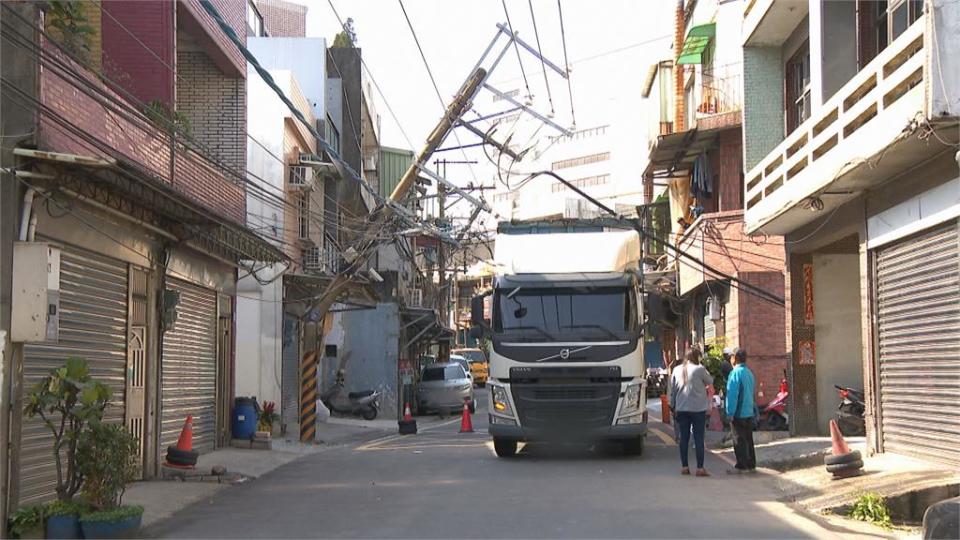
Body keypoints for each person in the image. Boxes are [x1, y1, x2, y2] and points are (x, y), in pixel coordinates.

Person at [668, 349, 714, 477]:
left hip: (681, 408)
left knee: (684, 438)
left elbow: (674, 389)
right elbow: (710, 381)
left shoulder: (677, 370)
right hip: (698, 409)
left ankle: (684, 467)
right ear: (696, 357)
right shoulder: (699, 369)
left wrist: (672, 405)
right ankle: (700, 468)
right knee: (698, 438)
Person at [725, 348, 757, 473]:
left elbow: (732, 395)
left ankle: (742, 464)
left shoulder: (735, 373)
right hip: (749, 411)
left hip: (738, 412)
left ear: (734, 358)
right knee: (748, 439)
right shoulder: (749, 373)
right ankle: (751, 463)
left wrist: (730, 412)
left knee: (739, 439)